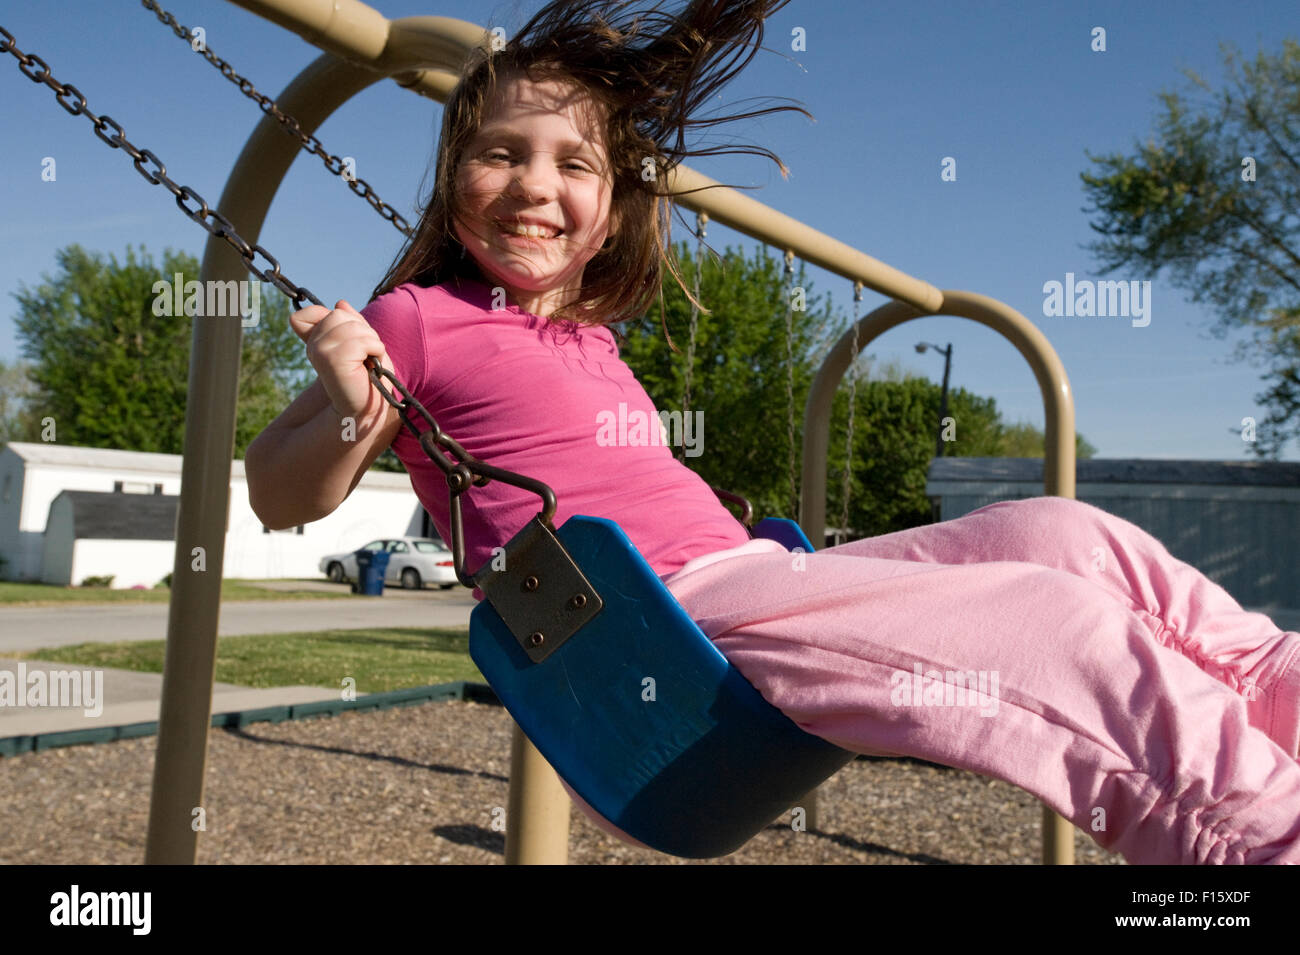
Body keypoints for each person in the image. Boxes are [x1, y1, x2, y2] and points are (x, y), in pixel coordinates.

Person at [243, 0, 1300, 864]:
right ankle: (1255, 837)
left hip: (752, 575)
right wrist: (351, 398)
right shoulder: (416, 319)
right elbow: (278, 494)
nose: (533, 185)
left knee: (1061, 536)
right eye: (499, 154)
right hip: (668, 634)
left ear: (609, 205)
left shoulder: (594, 340)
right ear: (452, 176)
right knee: (1047, 622)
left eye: (573, 163)